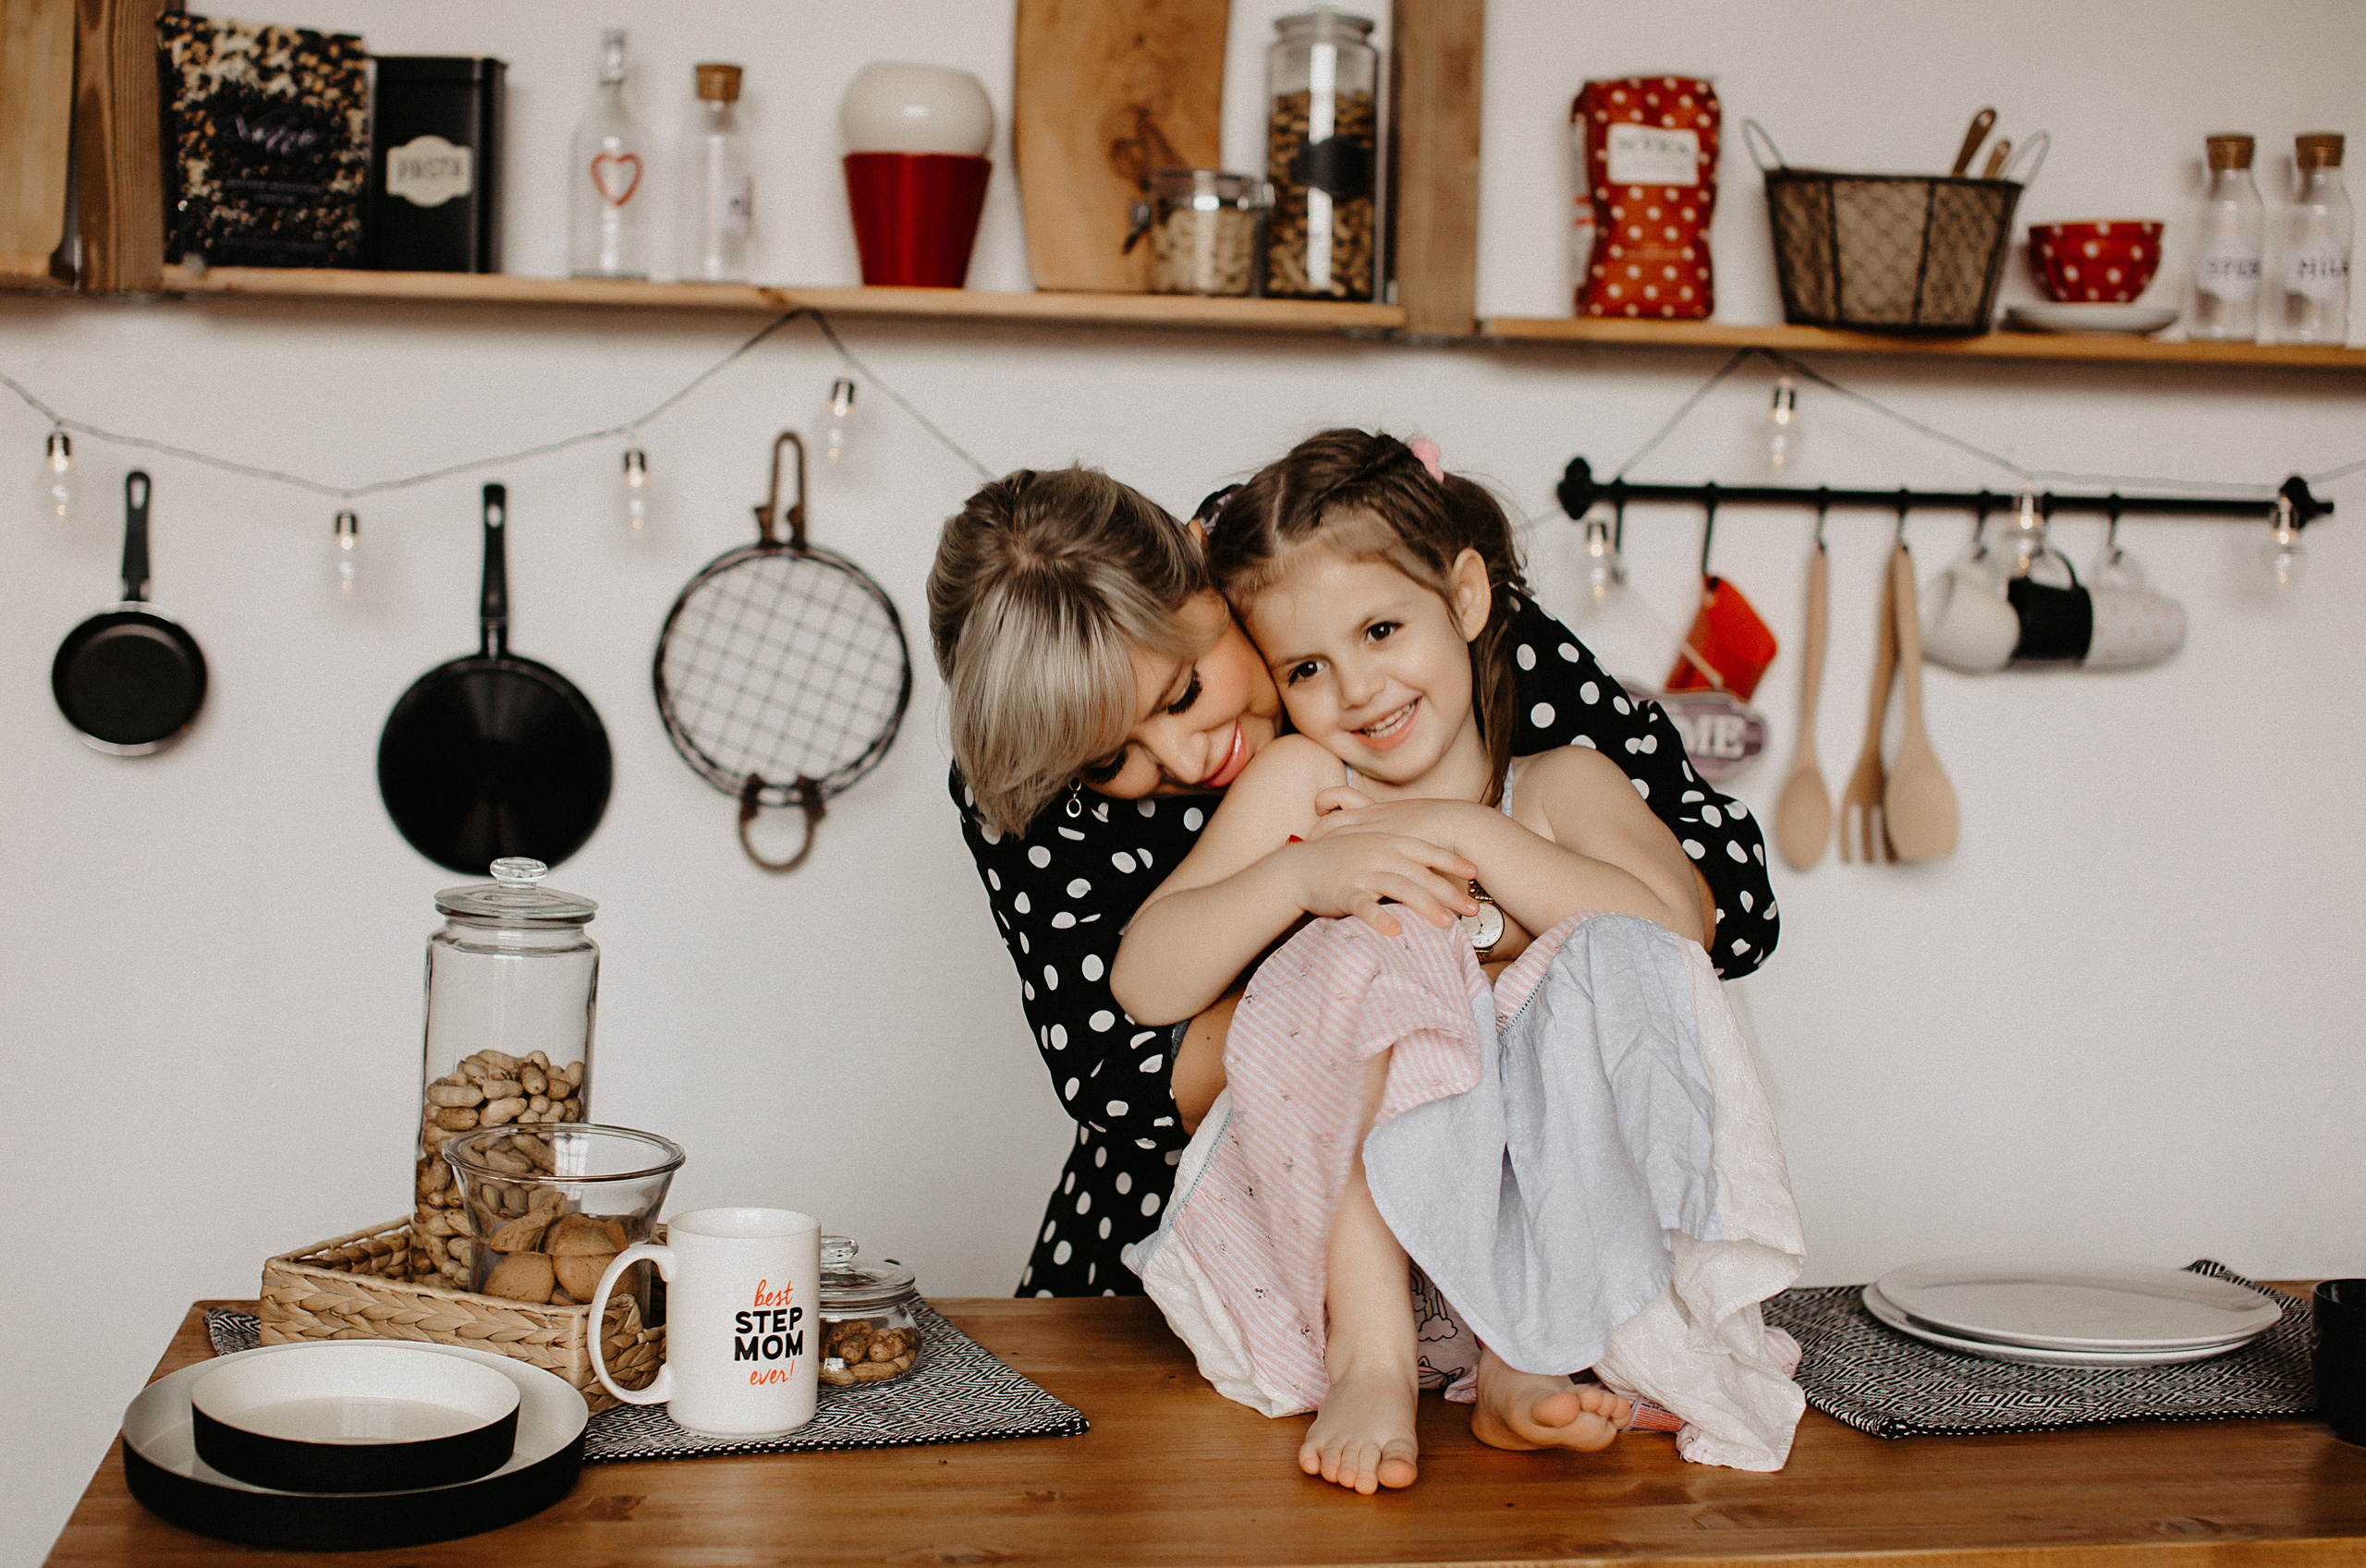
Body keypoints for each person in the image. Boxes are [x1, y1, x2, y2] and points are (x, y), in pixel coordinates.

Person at [1111, 431, 1805, 1494]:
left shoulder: (1562, 782)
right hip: (1374, 1243)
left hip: (1548, 1221)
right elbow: (1143, 981)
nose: (1357, 689)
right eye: (1305, 666)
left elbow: (1679, 936)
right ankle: (1372, 1359)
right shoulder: (1305, 786)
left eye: (1382, 628)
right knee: (1376, 950)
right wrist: (1300, 881)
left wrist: (1468, 836)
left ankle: (1523, 1354)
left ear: (1468, 598)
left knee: (1608, 956)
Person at [925, 460, 1781, 1302]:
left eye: (1185, 690)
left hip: (1506, 1231)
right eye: (1111, 759)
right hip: (1183, 1247)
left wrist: (1451, 904)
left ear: (1207, 568)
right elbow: (1121, 1070)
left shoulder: (1337, 564)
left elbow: (1723, 905)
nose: (1186, 758)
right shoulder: (1031, 764)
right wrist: (1343, 921)